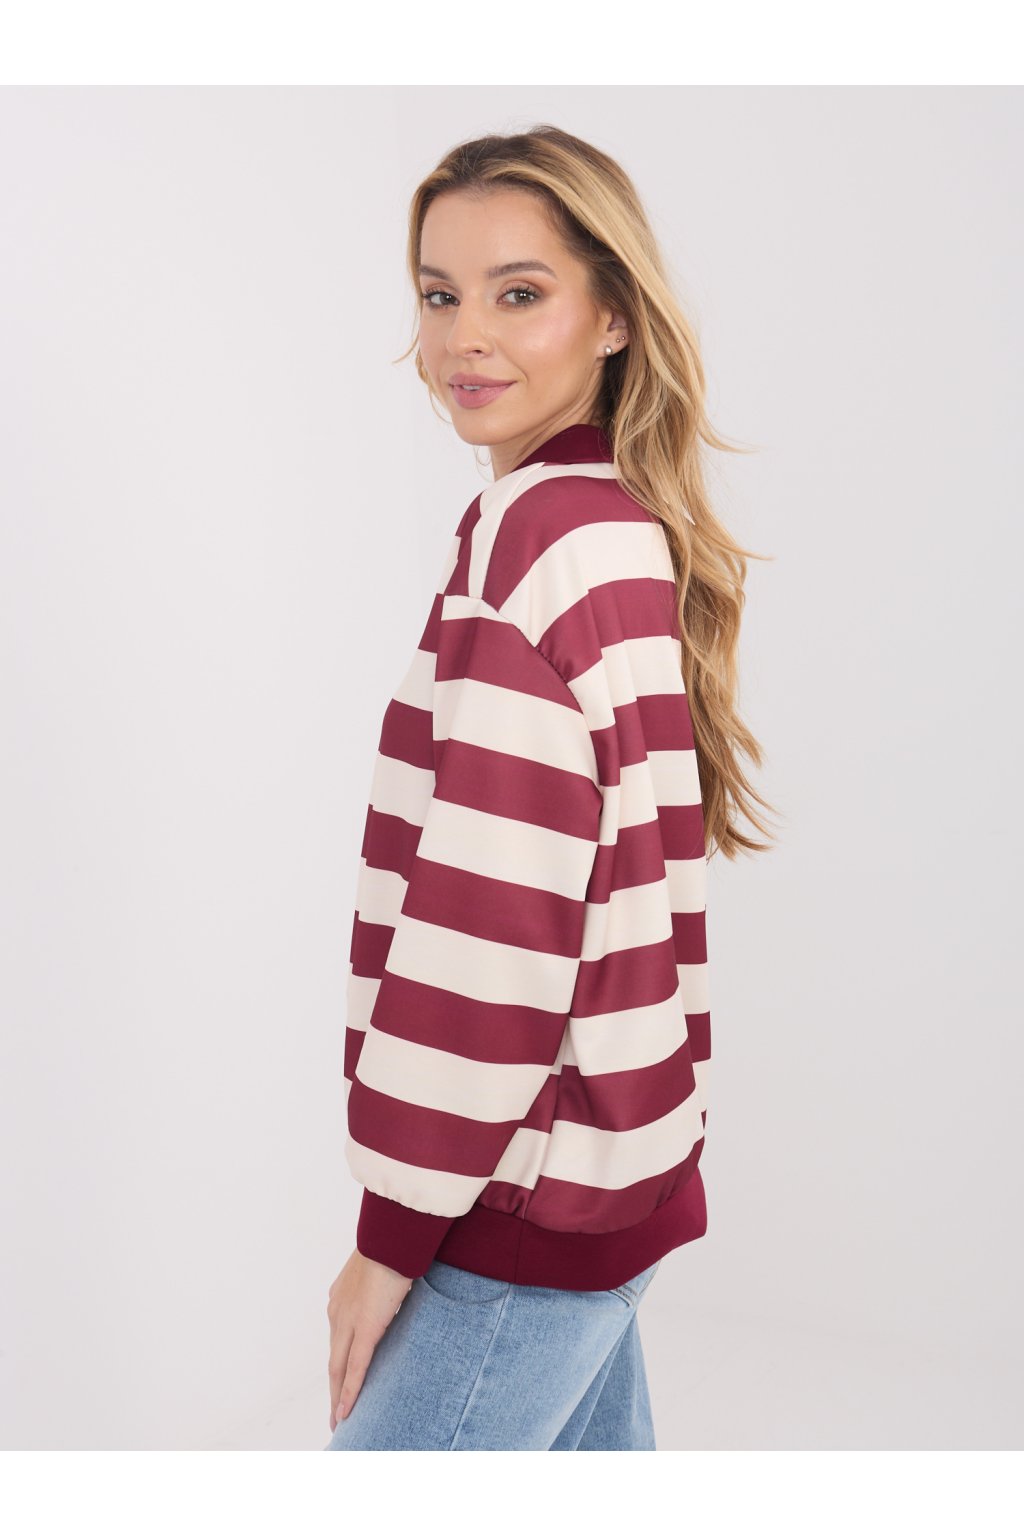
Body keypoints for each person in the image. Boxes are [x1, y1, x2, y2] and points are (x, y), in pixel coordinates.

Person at [324, 124, 777, 1452]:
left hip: (518, 1207)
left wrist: (390, 1236)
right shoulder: (613, 521)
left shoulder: (538, 537)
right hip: (611, 1177)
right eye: (439, 293)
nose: (465, 336)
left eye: (518, 292)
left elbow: (495, 927)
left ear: (613, 316)